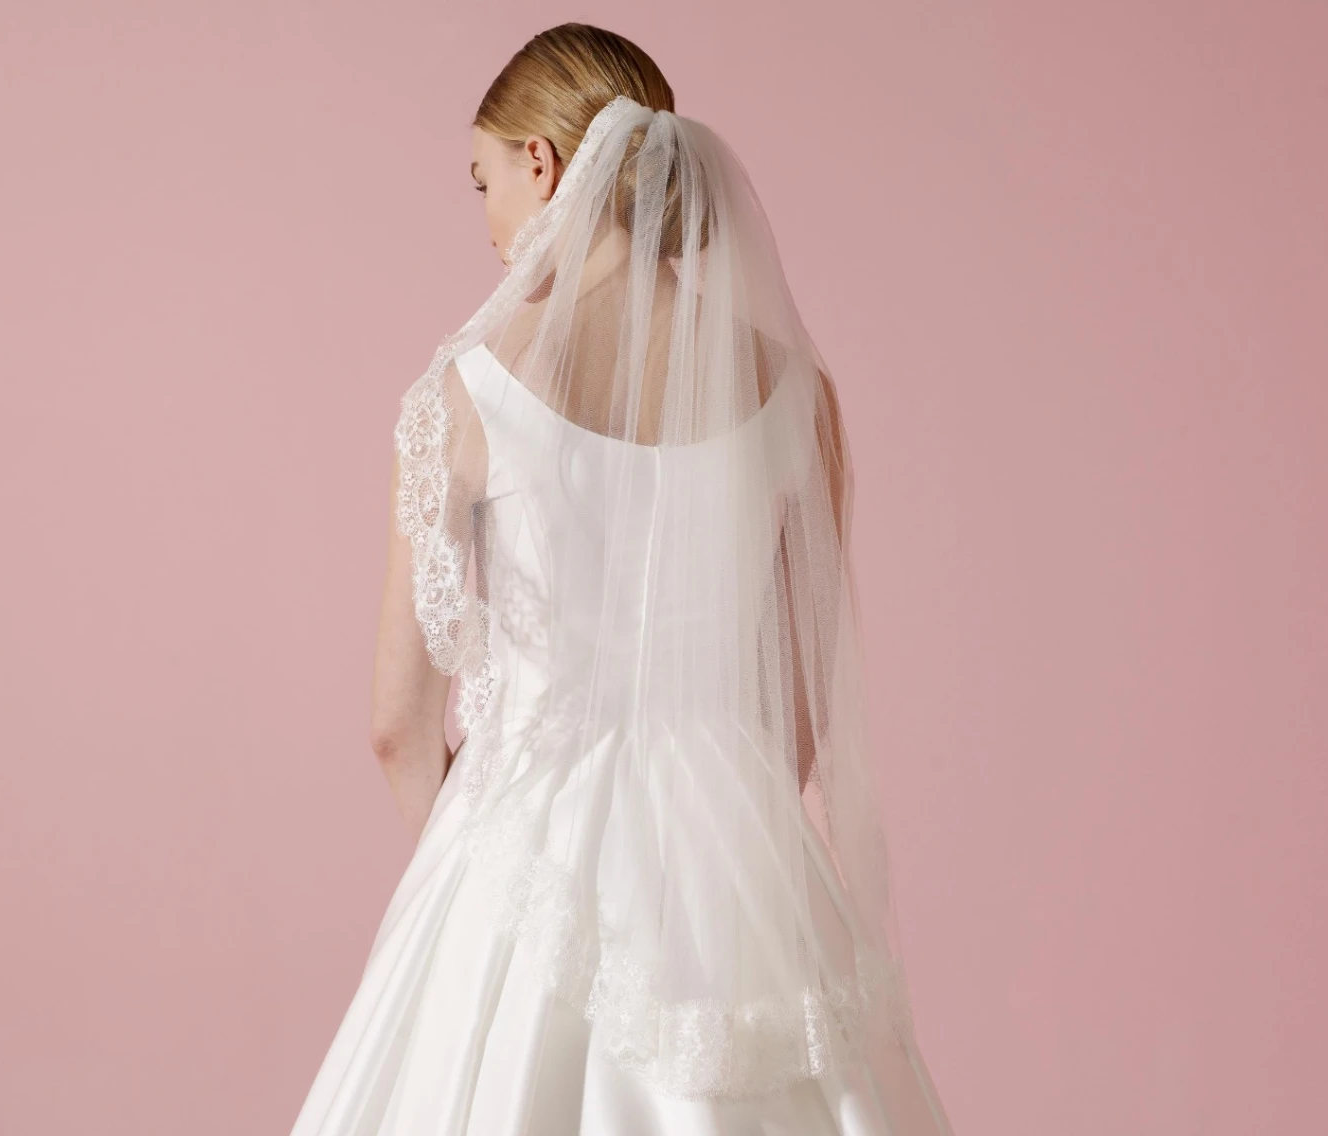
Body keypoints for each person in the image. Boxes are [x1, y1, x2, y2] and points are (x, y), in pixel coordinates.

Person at [288, 22, 955, 1136]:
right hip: (736, 876)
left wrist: (490, 884)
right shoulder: (797, 394)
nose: (489, 224)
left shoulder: (467, 394)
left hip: (522, 842)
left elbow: (397, 727)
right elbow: (795, 722)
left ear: (543, 163)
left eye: (485, 182)